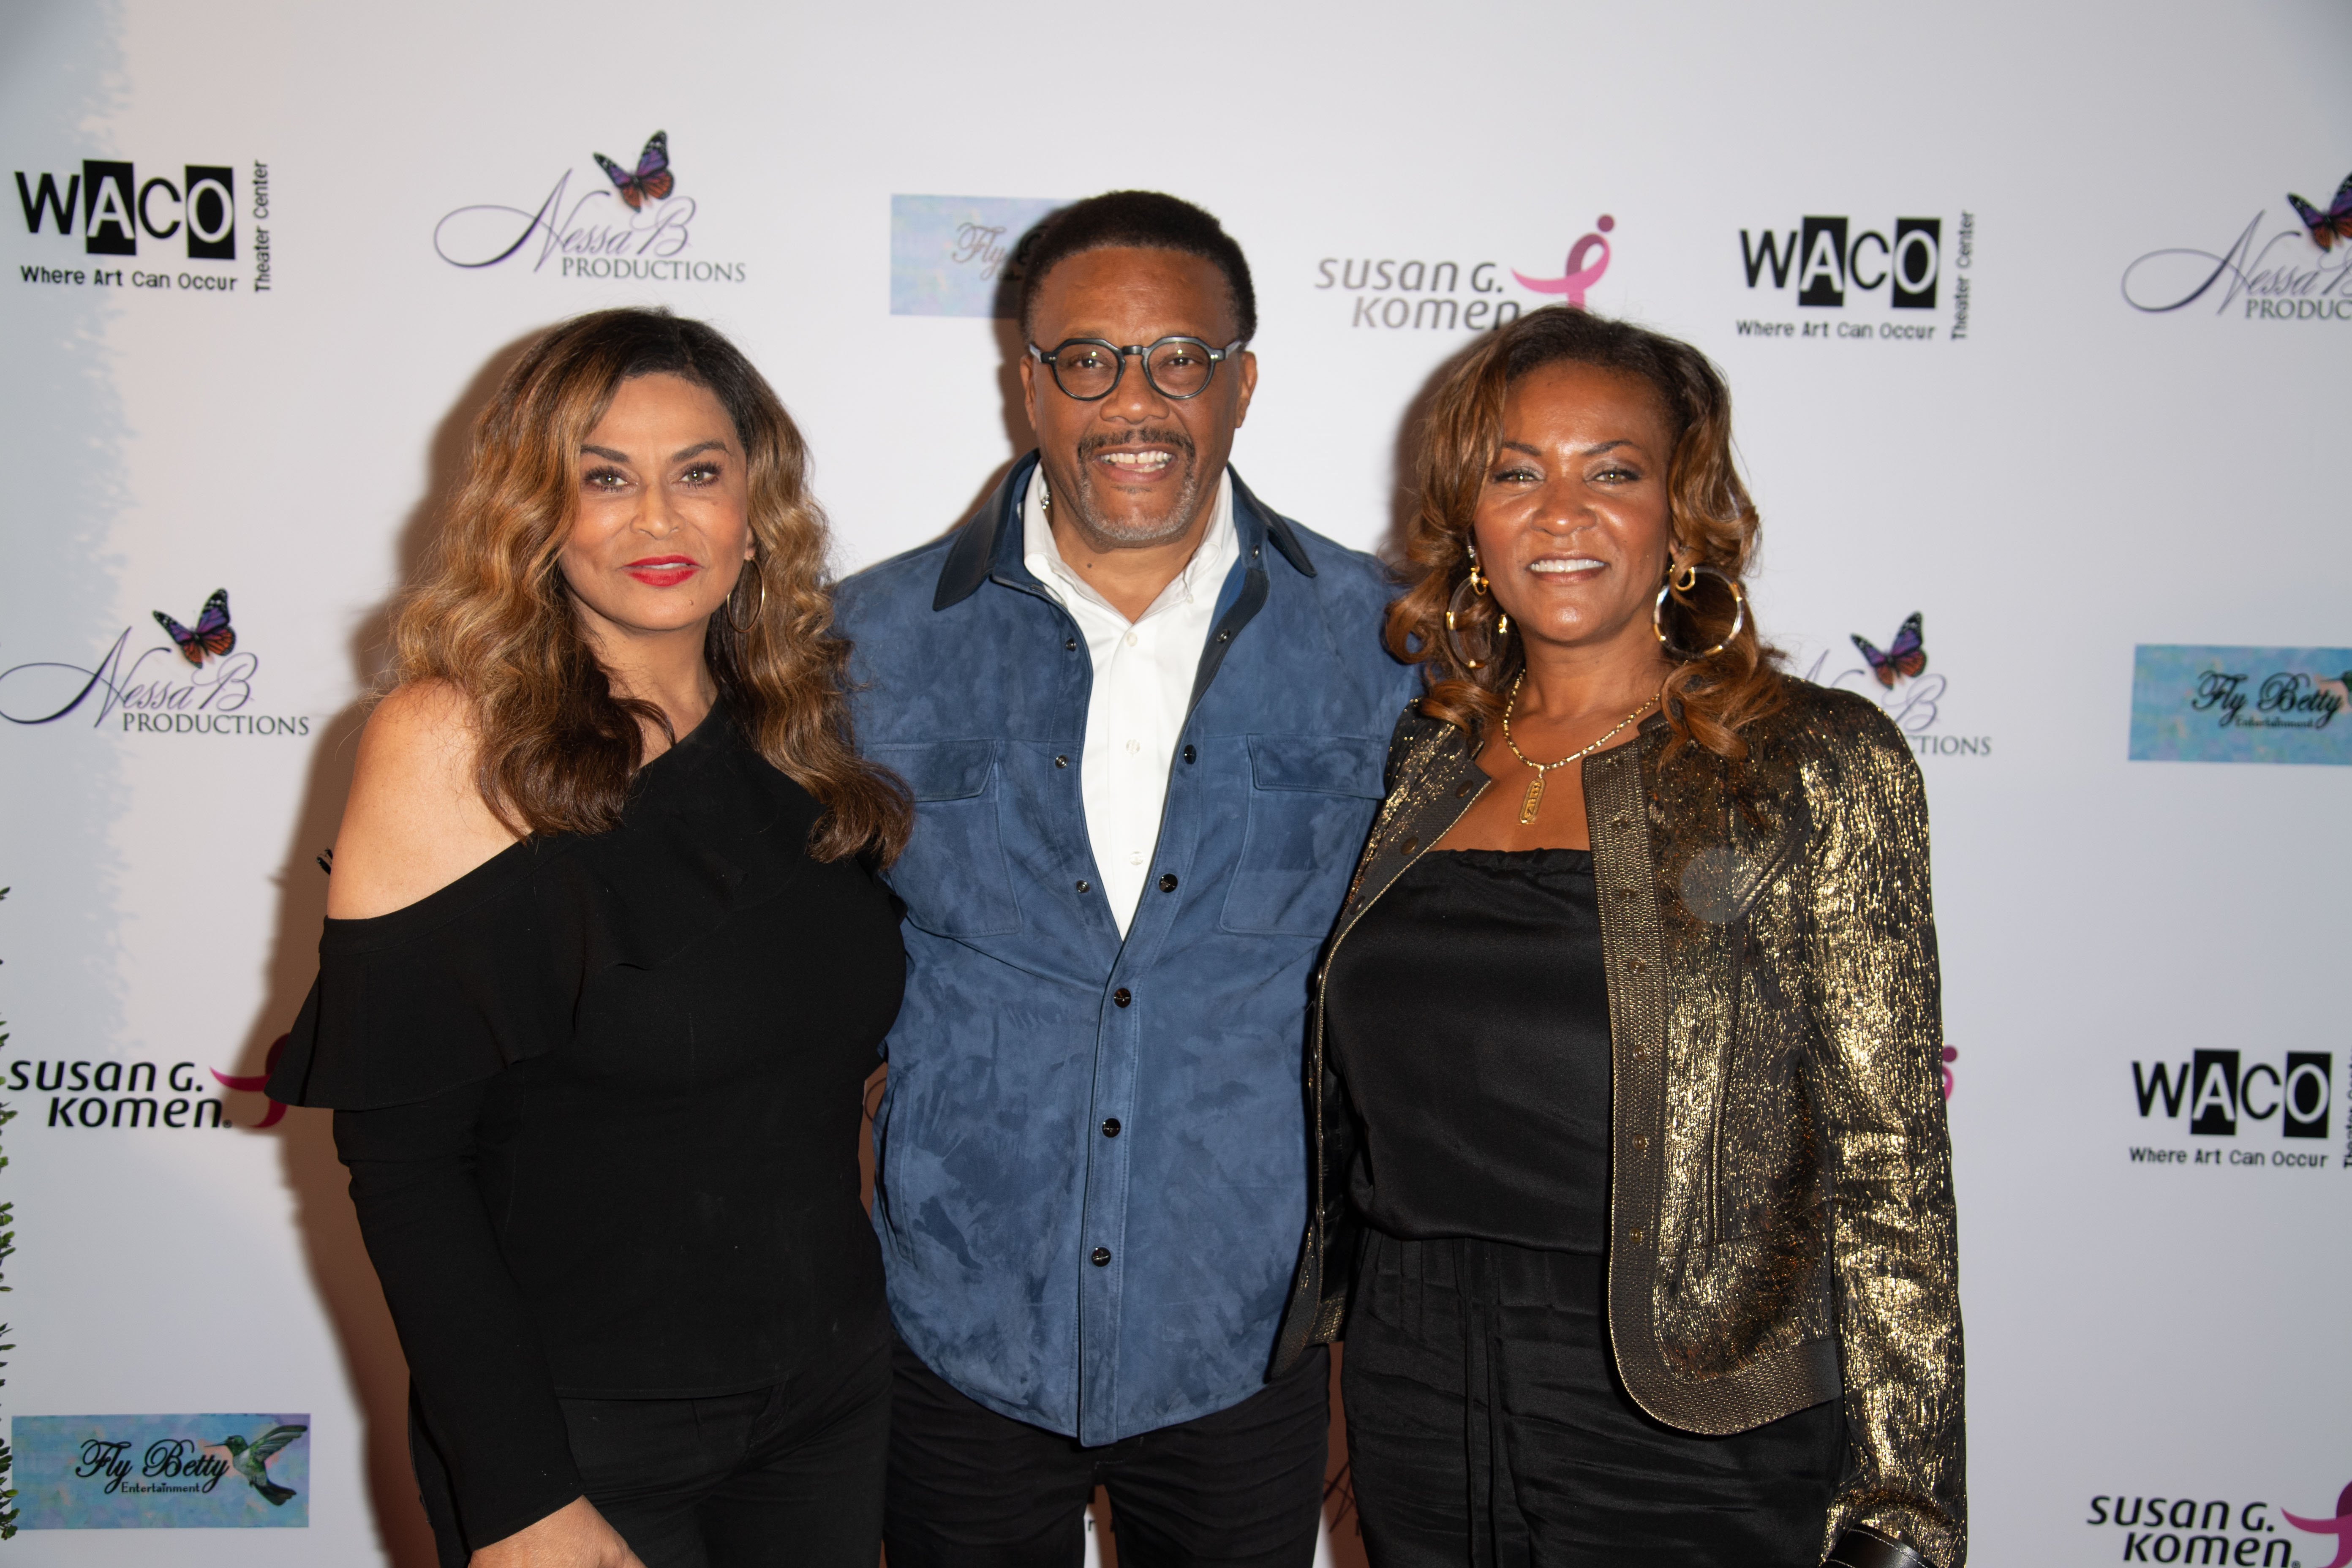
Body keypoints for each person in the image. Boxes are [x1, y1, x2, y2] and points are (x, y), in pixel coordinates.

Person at [1272, 306, 1965, 1568]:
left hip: (1685, 1403)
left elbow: (1888, 1160)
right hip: (1416, 1374)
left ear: (1683, 513)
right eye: (1517, 472)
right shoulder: (1426, 756)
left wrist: (1905, 1504)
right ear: (1469, 517)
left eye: (1614, 472)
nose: (1562, 512)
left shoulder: (1813, 761)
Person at [267, 309, 913, 1568]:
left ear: (755, 503)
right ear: (535, 509)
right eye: (603, 477)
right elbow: (403, 1166)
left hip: (827, 1406)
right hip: (584, 1437)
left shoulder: (798, 731)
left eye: (699, 474)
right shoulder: (455, 744)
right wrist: (518, 1497)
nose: (658, 522)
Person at [832, 191, 1418, 1566]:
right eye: (1087, 359)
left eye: (1179, 360)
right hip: (954, 1332)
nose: (1133, 401)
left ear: (1243, 383)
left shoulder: (1388, 647)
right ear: (1026, 384)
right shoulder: (864, 646)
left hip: (1242, 1340)